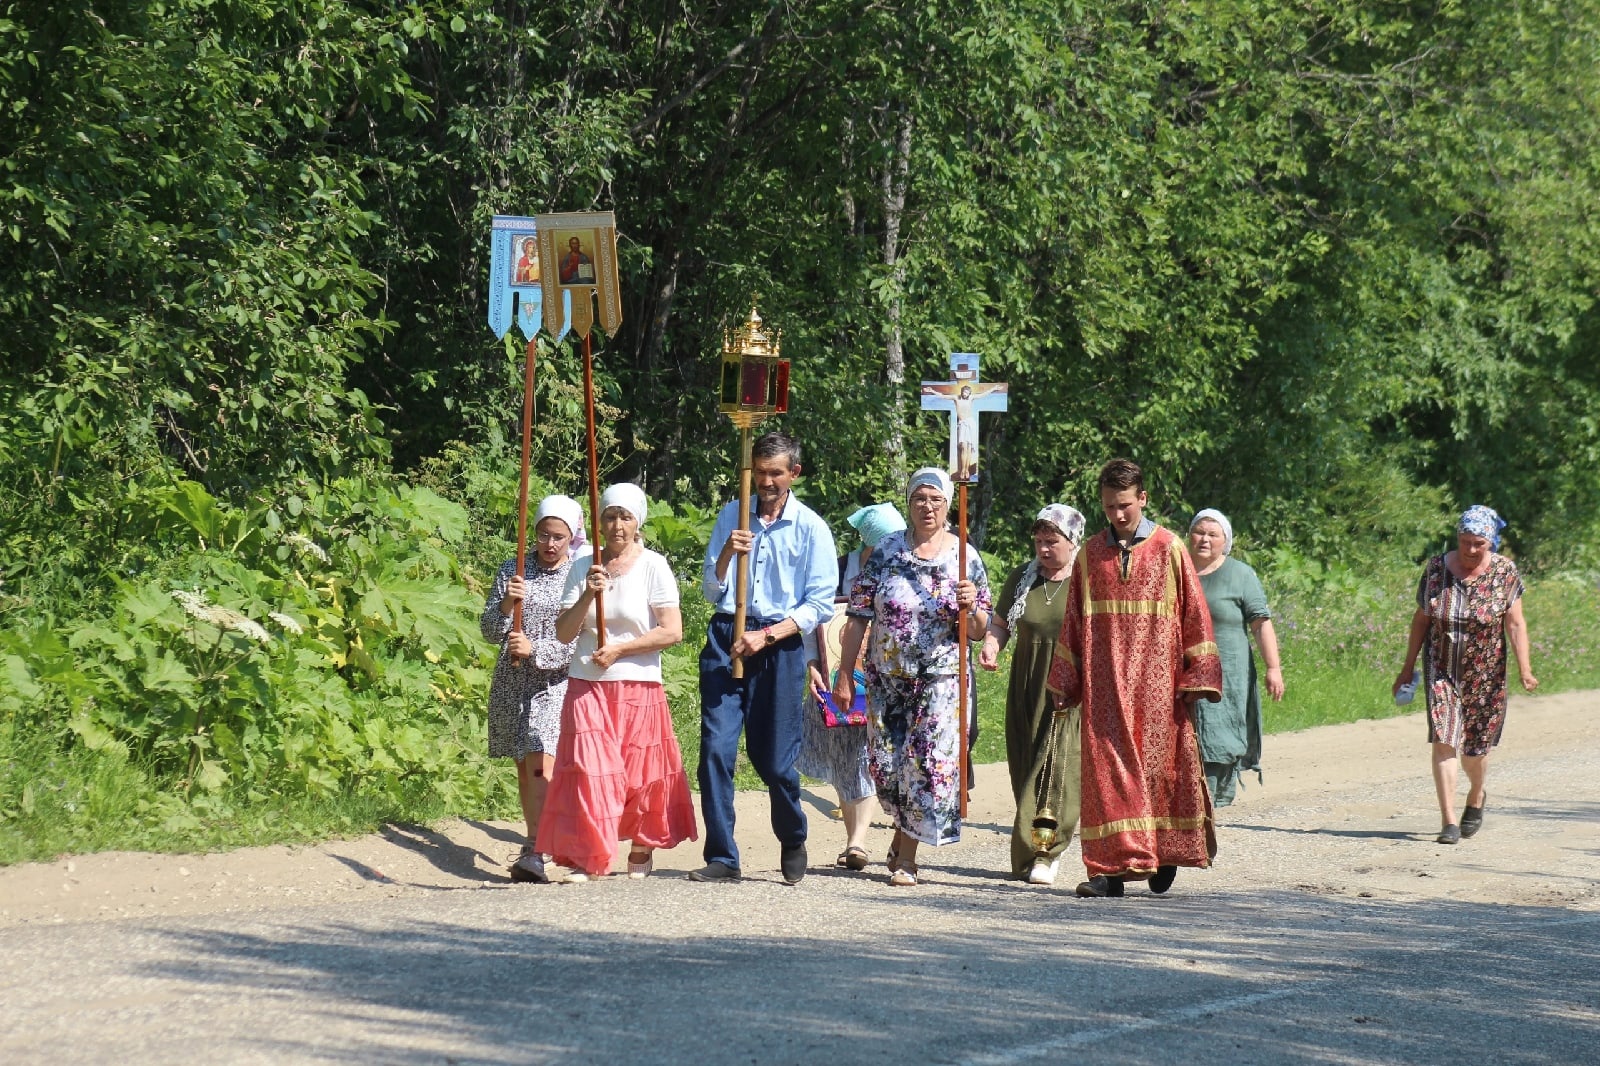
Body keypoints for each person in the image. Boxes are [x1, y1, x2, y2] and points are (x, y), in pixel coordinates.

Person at [1047, 458, 1221, 898]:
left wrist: (1198, 672)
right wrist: (1065, 679)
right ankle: (1108, 871)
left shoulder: (1170, 549)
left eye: (1124, 504)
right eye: (1109, 506)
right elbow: (1072, 622)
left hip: (1158, 687)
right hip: (1104, 687)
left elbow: (1195, 614)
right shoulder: (1089, 554)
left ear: (1142, 498)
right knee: (1105, 774)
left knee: (1158, 770)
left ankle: (1160, 851)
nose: (1118, 514)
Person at [832, 467, 991, 887]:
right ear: (909, 503)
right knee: (886, 767)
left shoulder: (964, 557)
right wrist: (845, 675)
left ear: (947, 505)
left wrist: (970, 605)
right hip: (886, 680)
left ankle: (907, 856)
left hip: (941, 680)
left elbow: (977, 629)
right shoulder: (886, 552)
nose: (928, 506)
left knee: (924, 765)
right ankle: (903, 831)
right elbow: (857, 617)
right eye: (920, 498)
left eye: (936, 499)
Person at [694, 431, 838, 884]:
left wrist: (768, 635)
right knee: (715, 751)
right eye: (759, 472)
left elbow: (819, 604)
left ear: (794, 473)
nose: (766, 481)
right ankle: (722, 856)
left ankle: (792, 835)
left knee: (774, 759)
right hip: (726, 635)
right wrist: (726, 558)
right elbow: (709, 589)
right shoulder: (732, 515)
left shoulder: (811, 527)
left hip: (778, 644)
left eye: (776, 472)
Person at [535, 483, 697, 880]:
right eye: (609, 516)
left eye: (624, 516)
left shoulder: (653, 566)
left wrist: (621, 650)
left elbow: (672, 631)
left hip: (638, 684)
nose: (617, 524)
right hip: (587, 682)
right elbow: (563, 632)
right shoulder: (583, 566)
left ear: (637, 521)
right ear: (599, 522)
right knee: (589, 770)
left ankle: (641, 846)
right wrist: (589, 595)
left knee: (640, 775)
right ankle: (589, 854)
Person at [1394, 505, 1538, 844]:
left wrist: (1526, 669)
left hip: (1486, 675)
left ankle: (1476, 796)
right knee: (1444, 738)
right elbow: (1421, 620)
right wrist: (1407, 666)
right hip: (1441, 668)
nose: (1471, 550)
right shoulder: (1435, 570)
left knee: (1475, 751)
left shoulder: (1505, 572)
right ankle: (1448, 822)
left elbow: (1515, 624)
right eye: (1464, 542)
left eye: (1478, 544)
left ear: (1490, 542)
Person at [479, 495, 587, 884]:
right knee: (524, 768)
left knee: (542, 760)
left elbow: (577, 638)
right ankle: (533, 841)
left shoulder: (577, 574)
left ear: (572, 536)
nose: (550, 544)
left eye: (559, 536)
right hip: (512, 680)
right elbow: (490, 630)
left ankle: (541, 848)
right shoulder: (514, 569)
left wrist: (536, 648)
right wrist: (508, 603)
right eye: (544, 535)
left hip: (553, 682)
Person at [980, 503, 1086, 886]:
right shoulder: (1022, 578)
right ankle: (1034, 844)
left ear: (1072, 541)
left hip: (1066, 683)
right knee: (1024, 765)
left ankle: (1047, 851)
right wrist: (992, 646)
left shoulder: (1085, 581)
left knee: (1055, 768)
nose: (1043, 549)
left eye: (1052, 541)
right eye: (1039, 541)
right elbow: (1000, 623)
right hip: (1026, 681)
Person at [798, 503, 906, 872]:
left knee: (876, 755)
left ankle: (870, 837)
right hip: (839, 677)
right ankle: (855, 840)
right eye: (882, 545)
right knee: (846, 755)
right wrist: (812, 663)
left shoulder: (906, 567)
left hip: (889, 679)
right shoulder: (841, 570)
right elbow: (817, 617)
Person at [1186, 508, 1285, 808]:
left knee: (1220, 728)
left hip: (1228, 670)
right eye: (1199, 532)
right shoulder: (1178, 571)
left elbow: (1260, 623)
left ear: (1224, 541)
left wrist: (1274, 667)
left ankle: (1214, 797)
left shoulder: (1240, 574)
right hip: (1184, 671)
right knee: (1185, 732)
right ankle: (1188, 799)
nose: (1204, 539)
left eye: (1212, 534)